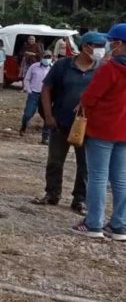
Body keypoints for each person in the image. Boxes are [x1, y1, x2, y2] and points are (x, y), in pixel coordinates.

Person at [33, 31, 108, 213]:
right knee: (55, 160)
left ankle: (80, 199)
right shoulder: (62, 65)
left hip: (89, 125)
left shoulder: (103, 68)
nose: (101, 50)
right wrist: (49, 116)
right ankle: (52, 193)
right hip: (61, 122)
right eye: (97, 46)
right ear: (85, 46)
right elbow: (46, 90)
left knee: (85, 164)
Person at [70, 24, 126, 240]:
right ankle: (119, 225)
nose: (108, 46)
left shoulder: (110, 68)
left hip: (103, 128)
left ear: (118, 44)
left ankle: (94, 224)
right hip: (123, 130)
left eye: (111, 42)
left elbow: (91, 97)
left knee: (98, 177)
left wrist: (82, 104)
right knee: (120, 179)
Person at [20, 50, 53, 144]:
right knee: (28, 114)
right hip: (34, 94)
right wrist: (29, 90)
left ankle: (45, 136)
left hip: (47, 96)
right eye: (45, 57)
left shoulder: (53, 68)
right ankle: (23, 126)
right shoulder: (34, 67)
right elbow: (26, 79)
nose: (47, 59)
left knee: (47, 116)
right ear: (41, 57)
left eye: (49, 57)